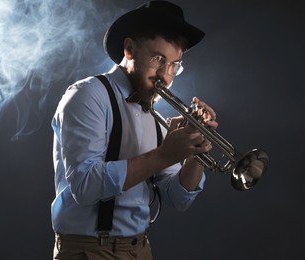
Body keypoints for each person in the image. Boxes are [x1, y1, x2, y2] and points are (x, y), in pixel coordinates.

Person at [51, 1, 217, 259]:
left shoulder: (156, 118)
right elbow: (84, 186)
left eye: (174, 64)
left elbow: (178, 199)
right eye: (158, 59)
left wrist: (195, 152)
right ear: (130, 49)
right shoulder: (88, 96)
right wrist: (163, 155)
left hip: (141, 249)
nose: (165, 75)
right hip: (89, 250)